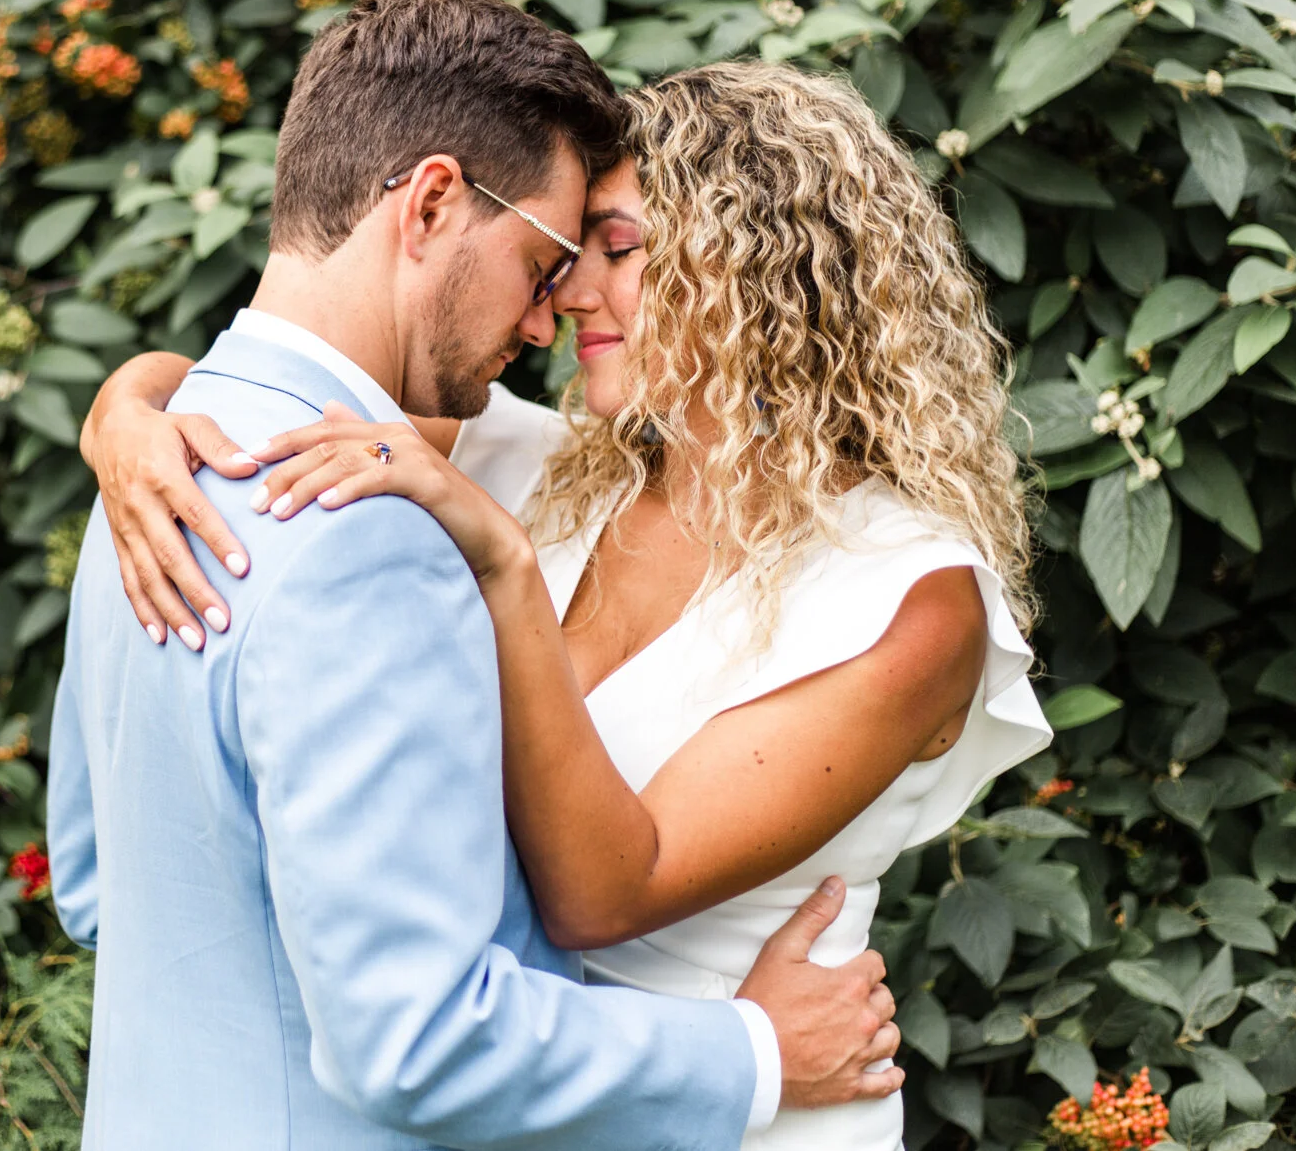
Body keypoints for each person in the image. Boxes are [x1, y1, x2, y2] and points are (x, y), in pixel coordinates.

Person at [80, 59, 1052, 1150]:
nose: (568, 292)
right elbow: (278, 384)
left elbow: (603, 891)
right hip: (509, 1098)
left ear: (757, 272)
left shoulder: (905, 598)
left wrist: (502, 569)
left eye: (620, 251)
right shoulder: (528, 464)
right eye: (568, 252)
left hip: (753, 1100)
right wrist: (127, 414)